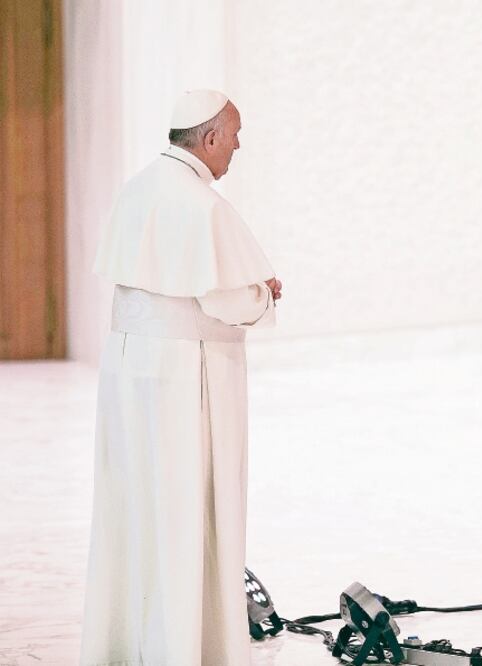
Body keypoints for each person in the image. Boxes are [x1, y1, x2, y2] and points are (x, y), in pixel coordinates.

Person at [81, 90, 281, 666]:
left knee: (137, 505)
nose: (239, 146)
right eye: (235, 135)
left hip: (130, 370)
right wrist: (262, 293)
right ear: (210, 137)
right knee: (186, 505)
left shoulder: (137, 188)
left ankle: (127, 646)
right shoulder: (201, 206)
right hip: (186, 377)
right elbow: (223, 295)